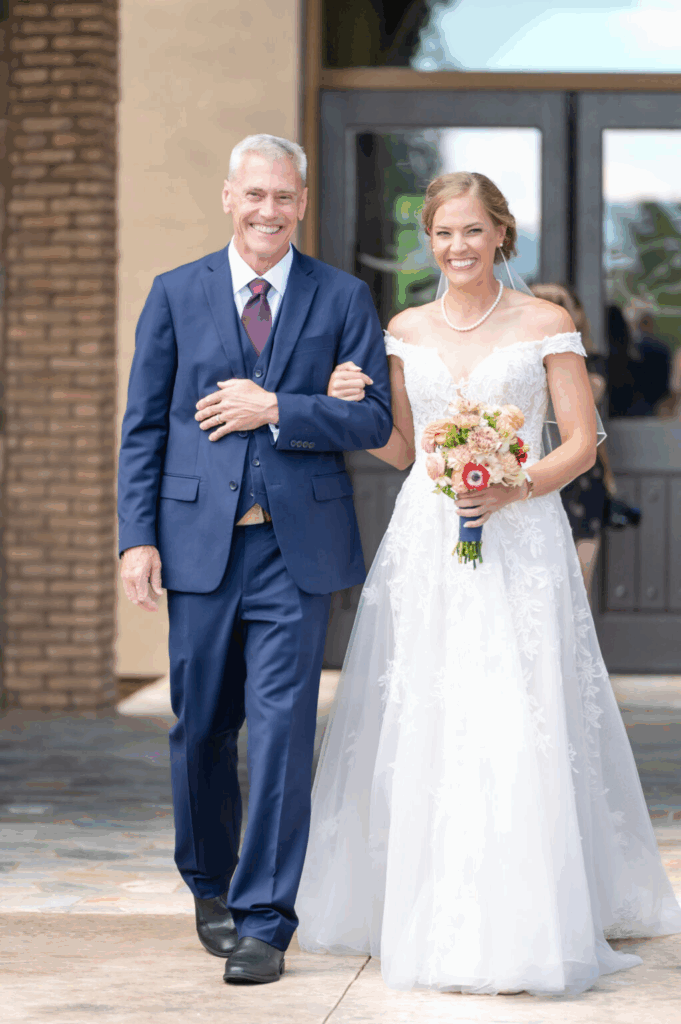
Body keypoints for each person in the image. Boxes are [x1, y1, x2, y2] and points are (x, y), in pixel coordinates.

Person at [297, 171, 681, 996]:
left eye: (472, 231)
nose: (457, 247)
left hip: (523, 537)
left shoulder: (545, 323)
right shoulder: (401, 328)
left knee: (516, 705)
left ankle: (527, 918)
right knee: (429, 707)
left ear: (500, 235)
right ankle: (425, 908)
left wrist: (513, 487)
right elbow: (401, 451)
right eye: (442, 233)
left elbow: (578, 441)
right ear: (427, 241)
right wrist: (353, 401)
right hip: (429, 539)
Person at [117, 134, 392, 985]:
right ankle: (210, 884)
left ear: (302, 203)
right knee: (202, 725)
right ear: (228, 197)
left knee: (279, 731)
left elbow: (374, 421)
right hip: (198, 543)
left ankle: (266, 918)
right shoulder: (174, 294)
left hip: (294, 549)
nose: (268, 210)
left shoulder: (343, 297)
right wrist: (137, 536)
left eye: (284, 196)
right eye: (255, 195)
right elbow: (144, 426)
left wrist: (279, 406)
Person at [530, 283, 616, 597]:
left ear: (576, 312)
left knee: (580, 577)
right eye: (542, 302)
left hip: (581, 477)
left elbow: (592, 391)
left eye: (561, 303)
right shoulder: (514, 362)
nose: (552, 309)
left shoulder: (591, 360)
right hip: (534, 471)